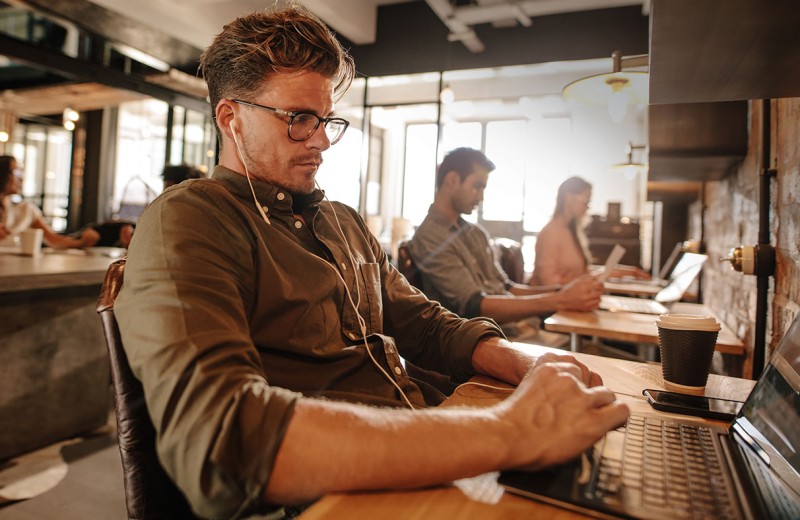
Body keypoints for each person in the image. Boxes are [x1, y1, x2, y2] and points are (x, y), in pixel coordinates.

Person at [114, 6, 628, 519]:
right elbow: (224, 441)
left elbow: (424, 323)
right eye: (298, 119)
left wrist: (524, 361)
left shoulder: (342, 220)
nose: (319, 141)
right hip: (340, 495)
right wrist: (512, 431)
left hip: (426, 440)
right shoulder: (192, 219)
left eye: (325, 121)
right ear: (232, 118)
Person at [408, 148, 604, 331]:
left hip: (515, 329)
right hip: (484, 343)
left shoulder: (476, 233)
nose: (481, 197)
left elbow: (507, 287)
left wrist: (564, 291)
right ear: (451, 180)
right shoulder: (430, 237)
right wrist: (561, 299)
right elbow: (474, 307)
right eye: (477, 186)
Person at [530, 176, 649, 286]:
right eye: (586, 201)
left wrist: (620, 271)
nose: (588, 207)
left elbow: (581, 275)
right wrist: (594, 277)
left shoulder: (570, 231)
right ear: (569, 197)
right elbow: (548, 283)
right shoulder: (551, 233)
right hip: (551, 306)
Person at [0, 155, 95, 249]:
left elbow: (52, 239)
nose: (21, 178)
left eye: (21, 173)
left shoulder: (26, 209)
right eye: (16, 173)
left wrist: (81, 242)